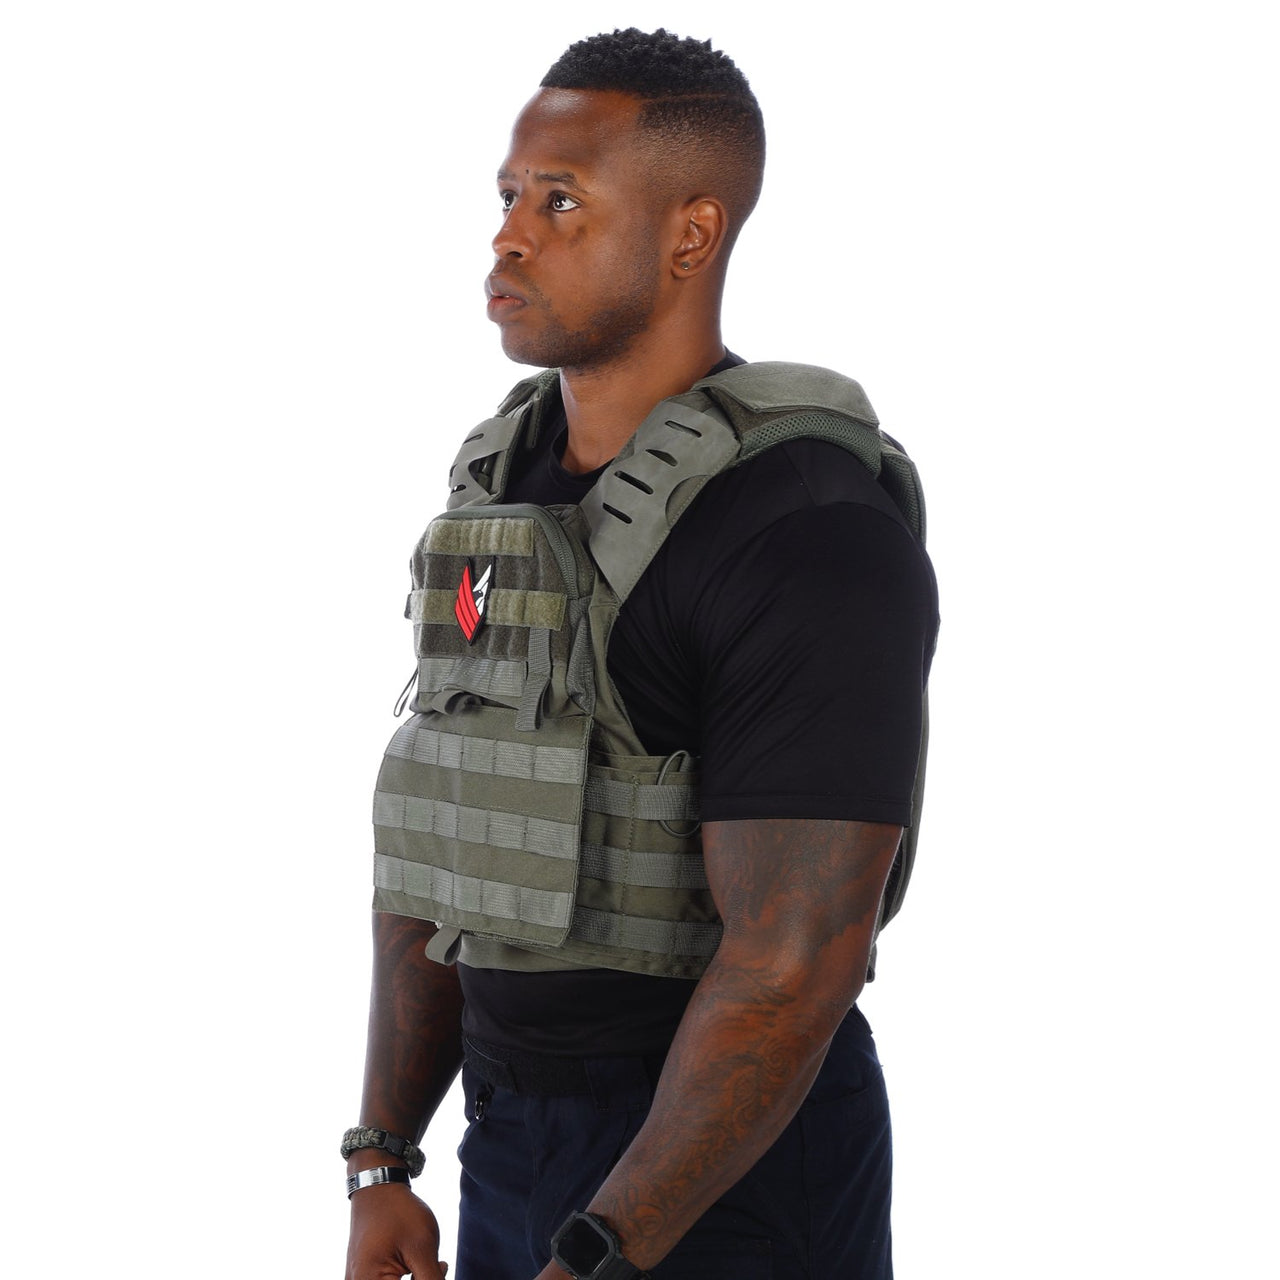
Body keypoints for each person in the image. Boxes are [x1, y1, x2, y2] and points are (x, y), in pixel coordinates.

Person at [343, 27, 938, 1280]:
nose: (509, 234)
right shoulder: (492, 495)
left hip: (729, 1171)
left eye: (561, 201)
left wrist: (607, 1248)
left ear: (689, 235)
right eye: (508, 195)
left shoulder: (806, 526)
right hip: (511, 1137)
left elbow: (790, 969)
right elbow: (446, 836)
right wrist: (383, 1152)